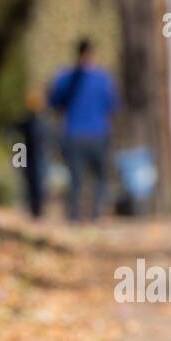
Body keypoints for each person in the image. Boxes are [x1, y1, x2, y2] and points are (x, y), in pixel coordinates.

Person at [49, 38, 118, 221]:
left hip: (74, 134)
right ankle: (95, 215)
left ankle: (74, 217)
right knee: (100, 178)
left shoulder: (64, 77)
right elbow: (113, 106)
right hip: (97, 134)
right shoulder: (104, 79)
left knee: (76, 179)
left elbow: (54, 103)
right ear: (92, 53)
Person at [17, 88, 48, 218]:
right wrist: (18, 160)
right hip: (29, 157)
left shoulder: (40, 123)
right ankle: (34, 212)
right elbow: (17, 142)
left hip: (35, 157)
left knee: (36, 185)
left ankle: (37, 212)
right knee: (32, 185)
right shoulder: (25, 122)